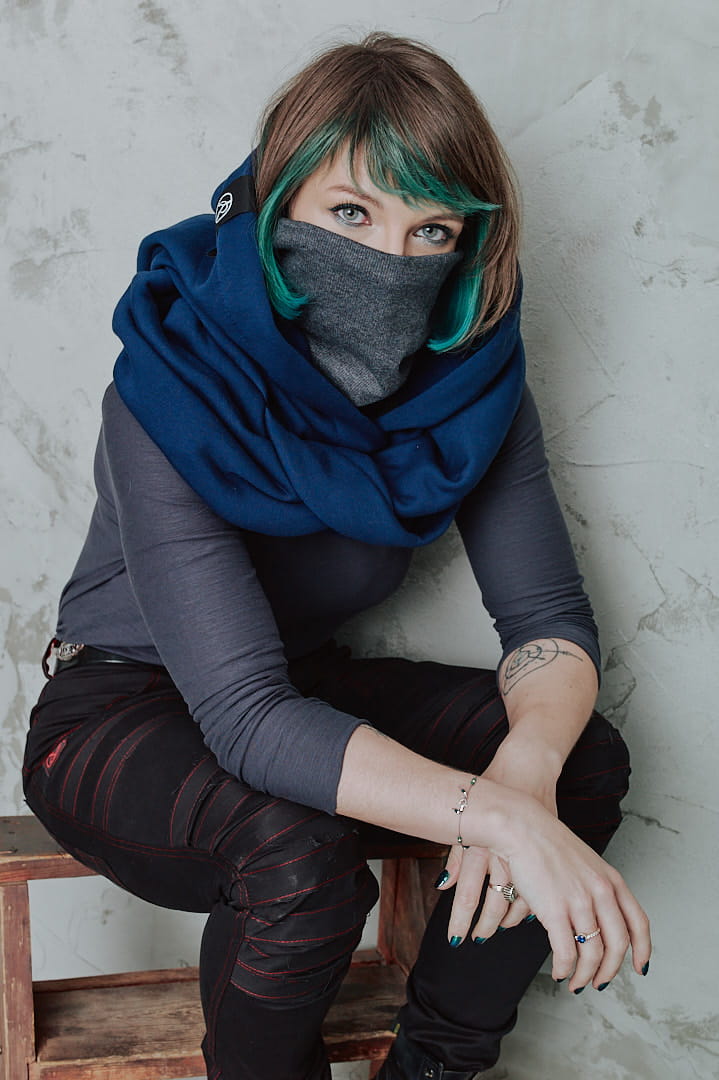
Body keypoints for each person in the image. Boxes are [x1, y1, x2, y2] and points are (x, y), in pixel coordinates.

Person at [21, 31, 651, 1080]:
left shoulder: (469, 390)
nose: (390, 262)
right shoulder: (170, 380)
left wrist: (524, 777)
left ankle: (434, 1068)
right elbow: (243, 715)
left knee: (575, 750)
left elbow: (546, 623)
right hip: (121, 710)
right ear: (275, 206)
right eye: (351, 213)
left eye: (430, 229)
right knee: (299, 860)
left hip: (297, 688)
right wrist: (494, 812)